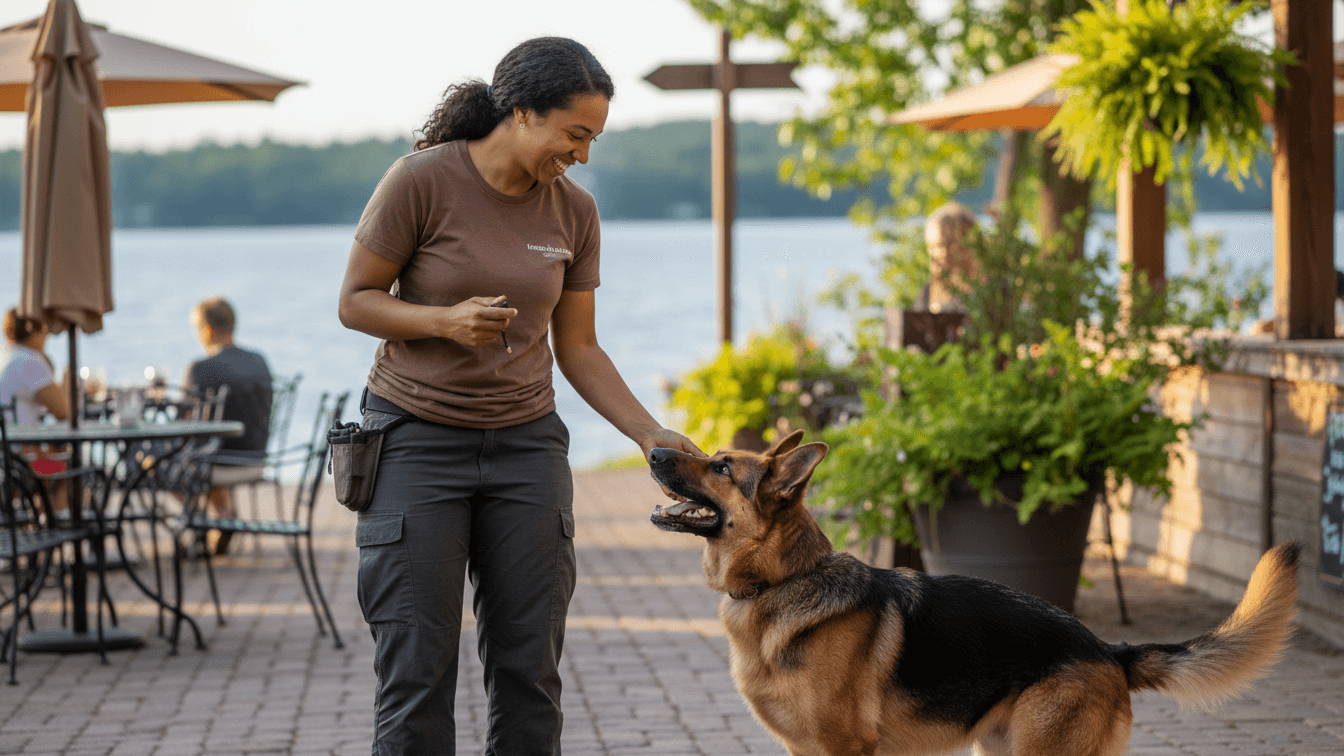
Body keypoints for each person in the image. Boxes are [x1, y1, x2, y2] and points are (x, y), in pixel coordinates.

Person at [337, 37, 705, 755]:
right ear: (524, 111)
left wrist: (646, 432)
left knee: (529, 668)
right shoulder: (420, 181)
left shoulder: (575, 214)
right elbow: (355, 301)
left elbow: (579, 348)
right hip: (414, 441)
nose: (584, 155)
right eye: (575, 134)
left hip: (527, 449)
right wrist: (443, 321)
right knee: (417, 666)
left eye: (594, 139)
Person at [183, 297, 273, 554]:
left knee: (157, 463)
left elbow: (186, 422)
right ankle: (221, 515)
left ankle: (216, 516)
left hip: (217, 462)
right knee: (208, 447)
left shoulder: (200, 369)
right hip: (257, 458)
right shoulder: (259, 361)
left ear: (207, 329)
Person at [1, 308, 72, 484]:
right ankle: (57, 511)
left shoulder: (5, 356)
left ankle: (44, 509)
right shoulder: (31, 361)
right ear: (36, 332)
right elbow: (63, 412)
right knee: (71, 468)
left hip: (6, 459)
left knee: (53, 454)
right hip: (24, 461)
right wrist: (67, 381)